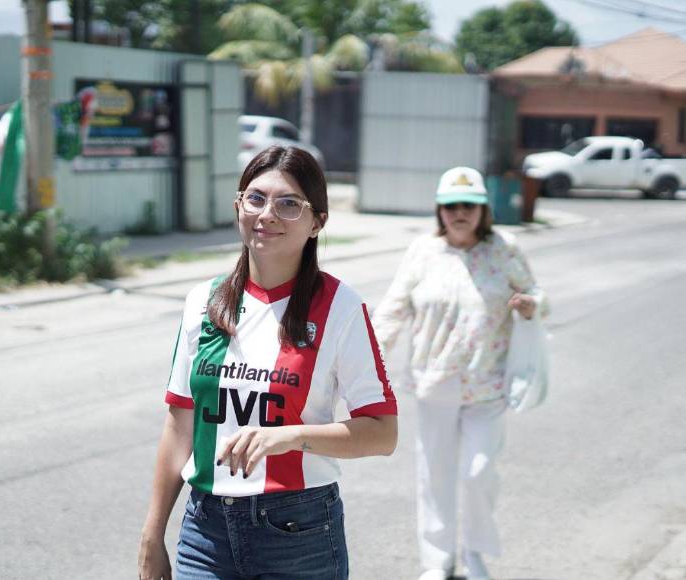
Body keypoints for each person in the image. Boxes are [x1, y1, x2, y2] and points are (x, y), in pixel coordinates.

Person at [138, 145, 398, 580]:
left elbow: (382, 433)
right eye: (255, 198)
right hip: (205, 533)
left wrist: (291, 437)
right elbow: (180, 425)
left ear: (318, 222)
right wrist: (152, 533)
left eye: (289, 204)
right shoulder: (203, 302)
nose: (268, 214)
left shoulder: (342, 308)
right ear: (238, 205)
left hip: (299, 531)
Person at [371, 167, 548, 580]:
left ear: (483, 210)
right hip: (435, 382)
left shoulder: (505, 248)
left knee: (479, 471)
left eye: (468, 205)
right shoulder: (423, 251)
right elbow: (393, 309)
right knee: (434, 473)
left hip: (487, 384)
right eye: (450, 206)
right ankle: (437, 561)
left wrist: (530, 305)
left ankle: (475, 554)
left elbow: (539, 296)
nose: (459, 213)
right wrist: (372, 358)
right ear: (439, 210)